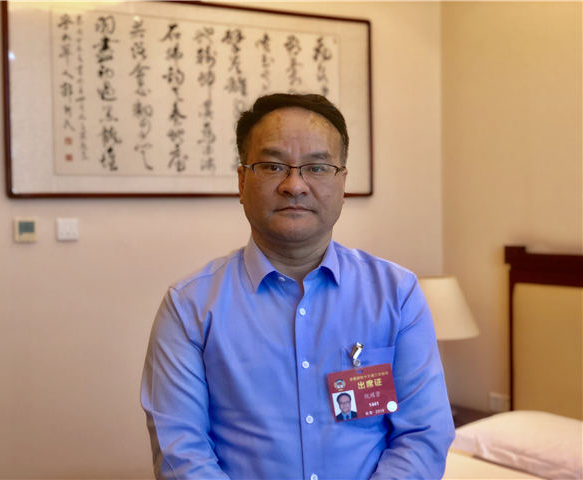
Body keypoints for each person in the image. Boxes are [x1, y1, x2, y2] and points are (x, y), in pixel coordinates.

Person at [141, 93, 455, 480]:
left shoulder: (397, 294)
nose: (294, 185)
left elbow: (423, 435)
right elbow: (181, 451)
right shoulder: (189, 305)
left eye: (317, 167)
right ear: (242, 181)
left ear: (342, 183)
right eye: (273, 166)